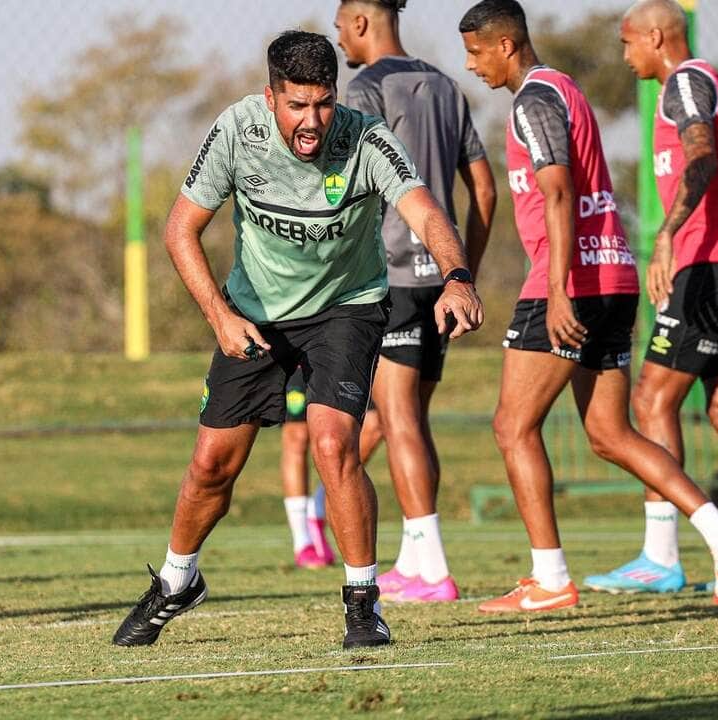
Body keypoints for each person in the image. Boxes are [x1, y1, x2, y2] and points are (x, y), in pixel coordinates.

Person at [112, 31, 483, 650]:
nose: (312, 121)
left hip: (347, 308)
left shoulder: (365, 137)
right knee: (211, 466)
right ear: (270, 97)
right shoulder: (237, 131)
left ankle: (363, 602)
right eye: (296, 106)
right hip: (255, 312)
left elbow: (425, 211)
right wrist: (221, 318)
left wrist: (458, 276)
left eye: (323, 103)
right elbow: (181, 231)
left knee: (333, 444)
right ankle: (178, 581)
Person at [459, 0, 718, 614]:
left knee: (512, 427)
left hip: (570, 284)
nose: (472, 66)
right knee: (610, 432)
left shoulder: (534, 100)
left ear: (506, 45)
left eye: (475, 52)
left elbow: (560, 192)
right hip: (614, 274)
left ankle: (549, 577)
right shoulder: (566, 89)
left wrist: (560, 286)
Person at [586, 0, 718, 596]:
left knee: (652, 399)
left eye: (629, 42)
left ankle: (661, 555)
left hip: (713, 263)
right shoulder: (707, 82)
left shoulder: (682, 83)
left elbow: (700, 157)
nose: (625, 55)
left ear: (656, 36)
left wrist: (667, 233)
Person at [334, 0, 496, 602]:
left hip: (394, 276)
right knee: (413, 421)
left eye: (339, 26)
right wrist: (463, 274)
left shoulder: (364, 88)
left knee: (397, 419)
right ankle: (415, 557)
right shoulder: (446, 84)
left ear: (359, 23)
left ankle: (432, 570)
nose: (340, 38)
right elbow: (482, 186)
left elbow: (350, 187)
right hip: (438, 279)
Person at [281, 366, 335, 568]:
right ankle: (302, 540)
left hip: (340, 349)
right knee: (297, 436)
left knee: (374, 423)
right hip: (297, 356)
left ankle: (318, 502)